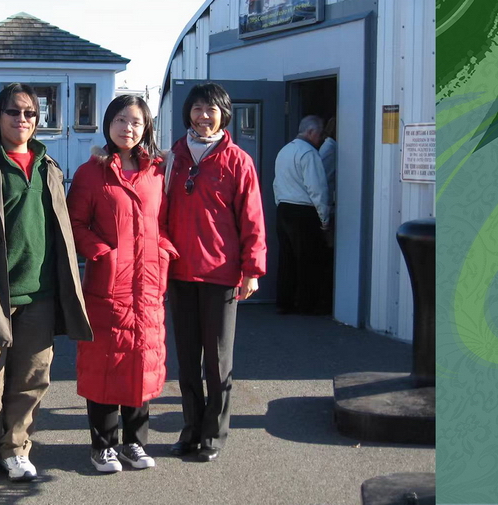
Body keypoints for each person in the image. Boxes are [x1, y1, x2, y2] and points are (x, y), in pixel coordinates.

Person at [0, 83, 92, 485]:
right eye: (13, 112)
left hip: (40, 293)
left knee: (32, 377)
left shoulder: (49, 168)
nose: (22, 119)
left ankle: (16, 449)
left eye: (30, 113)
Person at [66, 95, 178, 474]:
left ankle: (134, 442)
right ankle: (102, 446)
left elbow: (163, 221)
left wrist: (164, 249)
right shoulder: (91, 173)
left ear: (146, 127)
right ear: (108, 124)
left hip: (148, 285)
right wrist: (102, 252)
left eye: (135, 122)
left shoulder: (157, 172)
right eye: (119, 120)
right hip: (108, 286)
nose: (127, 128)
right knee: (104, 365)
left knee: (142, 362)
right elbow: (74, 224)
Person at [165, 82, 266, 463]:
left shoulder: (238, 160)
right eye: (197, 109)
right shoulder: (173, 157)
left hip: (221, 274)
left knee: (218, 361)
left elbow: (252, 219)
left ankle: (214, 434)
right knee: (187, 360)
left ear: (224, 115)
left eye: (211, 109)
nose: (203, 116)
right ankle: (190, 429)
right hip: (179, 272)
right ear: (187, 113)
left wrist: (252, 270)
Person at [273, 115, 332, 315]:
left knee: (286, 258)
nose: (322, 139)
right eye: (320, 134)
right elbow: (318, 189)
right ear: (311, 132)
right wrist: (324, 219)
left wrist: (280, 203)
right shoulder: (309, 154)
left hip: (284, 207)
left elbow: (276, 183)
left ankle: (284, 302)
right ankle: (307, 304)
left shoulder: (284, 151)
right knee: (308, 259)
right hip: (304, 211)